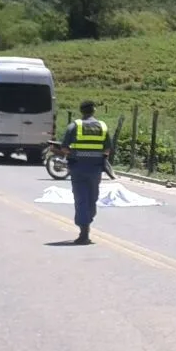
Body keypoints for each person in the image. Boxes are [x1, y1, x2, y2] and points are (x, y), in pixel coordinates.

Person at [58, 100, 109, 244]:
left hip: (78, 168)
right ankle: (87, 222)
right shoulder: (102, 126)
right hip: (95, 169)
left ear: (81, 111)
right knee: (92, 198)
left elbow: (64, 148)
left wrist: (74, 154)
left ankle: (84, 231)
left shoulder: (74, 126)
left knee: (81, 199)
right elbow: (107, 149)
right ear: (94, 110)